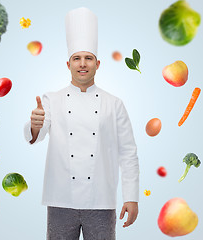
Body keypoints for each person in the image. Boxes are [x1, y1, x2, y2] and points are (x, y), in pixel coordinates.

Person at [24, 7, 139, 240]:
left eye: (88, 58)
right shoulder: (51, 99)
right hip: (60, 199)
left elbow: (128, 153)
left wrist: (132, 197)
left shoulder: (114, 104)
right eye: (77, 58)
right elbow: (37, 134)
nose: (82, 64)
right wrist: (35, 123)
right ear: (68, 64)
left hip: (101, 201)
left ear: (98, 63)